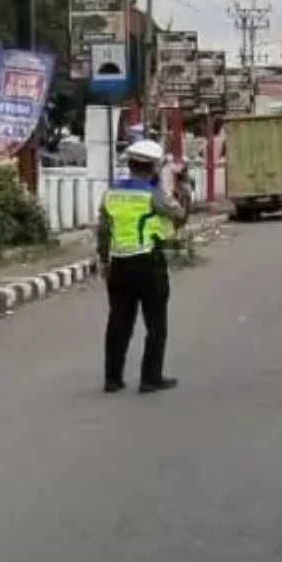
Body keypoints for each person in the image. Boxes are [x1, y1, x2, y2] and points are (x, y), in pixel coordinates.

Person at [95, 138, 189, 394]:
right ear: (154, 167)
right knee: (156, 325)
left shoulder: (111, 193)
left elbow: (103, 231)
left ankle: (112, 379)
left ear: (130, 164)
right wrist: (178, 188)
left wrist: (103, 261)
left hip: (118, 265)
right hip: (148, 263)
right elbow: (179, 215)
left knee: (118, 323)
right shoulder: (151, 194)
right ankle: (150, 378)